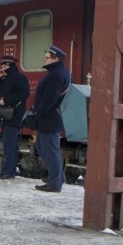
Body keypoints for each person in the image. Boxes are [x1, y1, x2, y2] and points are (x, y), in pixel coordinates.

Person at [32, 45, 71, 192]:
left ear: (56, 59)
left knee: (50, 150)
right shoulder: (61, 72)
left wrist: (38, 115)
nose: (44, 59)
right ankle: (58, 176)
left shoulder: (55, 75)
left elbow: (49, 99)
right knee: (42, 147)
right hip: (52, 117)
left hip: (50, 118)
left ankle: (55, 183)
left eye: (47, 57)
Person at [0, 55, 30, 179]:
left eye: (5, 66)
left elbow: (24, 93)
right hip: (5, 115)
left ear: (11, 66)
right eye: (2, 66)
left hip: (13, 115)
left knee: (9, 145)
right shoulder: (4, 78)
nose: (3, 68)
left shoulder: (18, 77)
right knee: (10, 145)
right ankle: (10, 171)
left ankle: (7, 172)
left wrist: (6, 100)